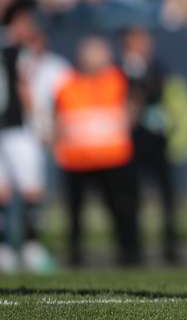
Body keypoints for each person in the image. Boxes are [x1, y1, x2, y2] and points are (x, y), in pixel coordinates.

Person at [0, 0, 54, 273]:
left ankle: (1, 251)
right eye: (27, 22)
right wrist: (42, 123)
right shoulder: (19, 51)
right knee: (31, 190)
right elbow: (23, 88)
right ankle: (31, 248)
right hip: (17, 129)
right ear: (18, 21)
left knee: (0, 192)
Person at [53, 36, 142, 266]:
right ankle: (75, 258)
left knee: (122, 210)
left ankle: (130, 256)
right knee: (75, 216)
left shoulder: (118, 79)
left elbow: (133, 108)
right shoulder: (67, 83)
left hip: (113, 158)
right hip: (76, 160)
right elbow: (58, 119)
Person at [121, 25, 180, 264]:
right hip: (132, 139)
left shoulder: (155, 66)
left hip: (156, 137)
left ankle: (170, 247)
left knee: (167, 195)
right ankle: (132, 250)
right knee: (131, 197)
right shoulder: (122, 68)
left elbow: (156, 91)